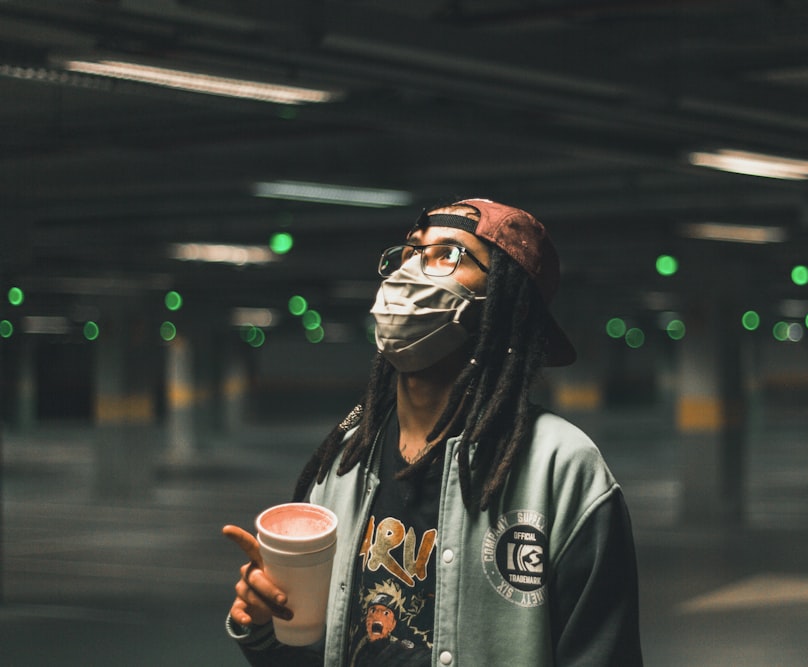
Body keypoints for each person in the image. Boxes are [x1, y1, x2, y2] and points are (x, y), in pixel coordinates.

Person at [223, 198, 644, 666]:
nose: (412, 271)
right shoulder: (342, 463)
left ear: (505, 307)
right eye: (409, 253)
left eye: (448, 255)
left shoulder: (564, 470)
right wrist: (264, 626)